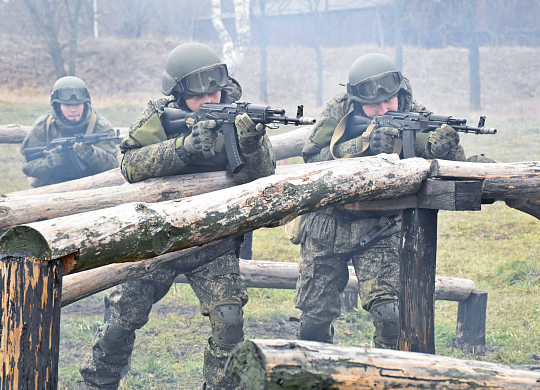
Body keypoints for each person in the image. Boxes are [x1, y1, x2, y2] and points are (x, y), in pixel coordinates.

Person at [79, 42, 275, 390]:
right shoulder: (159, 115)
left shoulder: (240, 116)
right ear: (179, 94)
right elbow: (129, 164)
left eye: (216, 91)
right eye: (200, 96)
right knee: (122, 321)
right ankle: (96, 383)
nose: (211, 101)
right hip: (157, 239)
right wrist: (181, 149)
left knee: (229, 322)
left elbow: (262, 177)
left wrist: (250, 145)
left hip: (213, 241)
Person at [294, 53, 466, 349]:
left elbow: (456, 164)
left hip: (381, 228)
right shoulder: (339, 110)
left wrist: (444, 150)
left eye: (390, 101)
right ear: (356, 101)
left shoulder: (417, 113)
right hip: (327, 225)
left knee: (390, 318)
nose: (384, 109)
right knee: (314, 320)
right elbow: (313, 157)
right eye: (374, 105)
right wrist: (362, 146)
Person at [20, 76, 118, 187]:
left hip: (92, 186)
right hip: (50, 187)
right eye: (67, 105)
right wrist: (47, 163)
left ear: (85, 104)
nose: (73, 109)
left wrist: (93, 155)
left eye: (77, 104)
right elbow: (27, 167)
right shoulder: (44, 126)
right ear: (57, 106)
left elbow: (114, 167)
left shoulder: (100, 126)